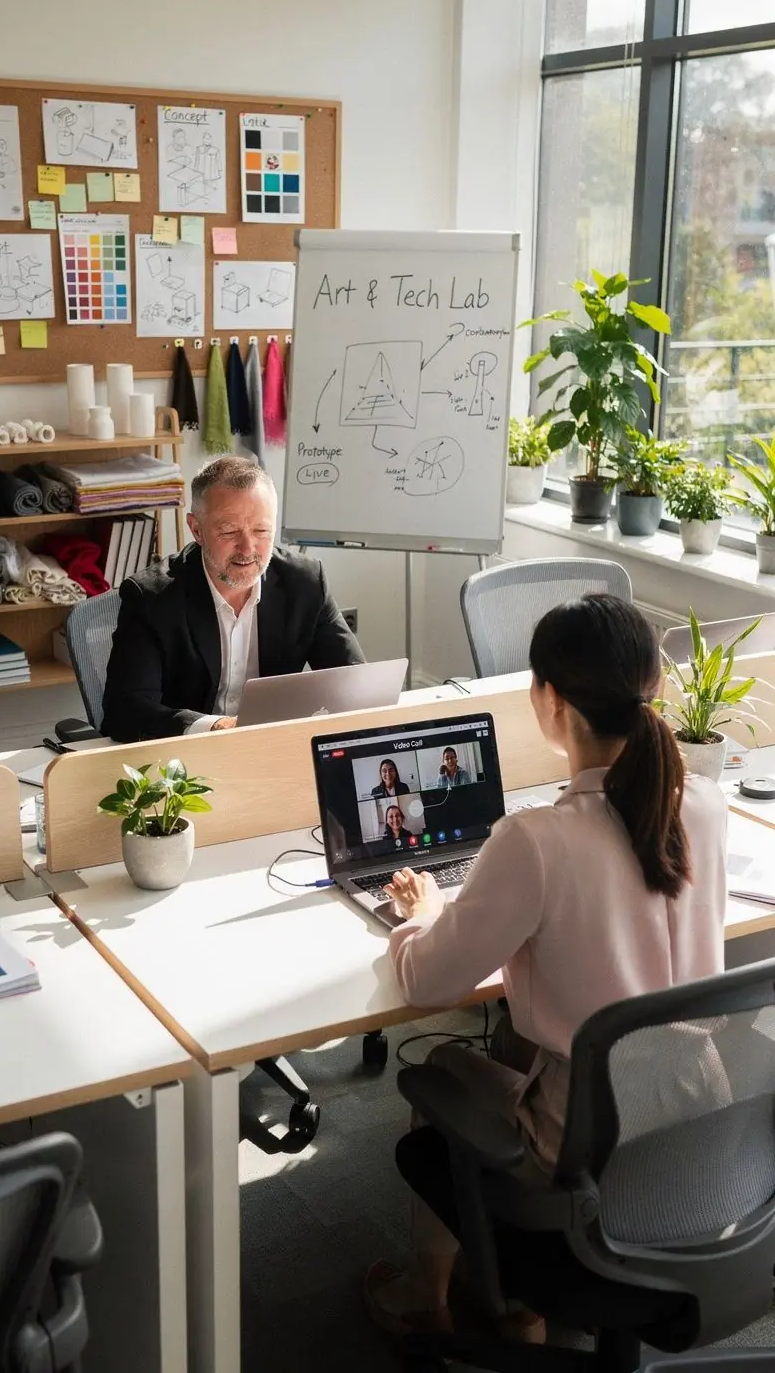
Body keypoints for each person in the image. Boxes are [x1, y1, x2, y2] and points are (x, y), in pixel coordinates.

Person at [365, 594, 728, 1339]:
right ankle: (525, 1305)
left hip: (585, 1150)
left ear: (550, 700)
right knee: (516, 1046)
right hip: (703, 1128)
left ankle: (427, 1298)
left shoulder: (534, 839)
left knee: (445, 1065)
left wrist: (421, 919)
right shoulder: (708, 807)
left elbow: (429, 984)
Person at [102, 456, 364, 743]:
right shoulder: (152, 598)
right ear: (197, 530)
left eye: (261, 531)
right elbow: (124, 712)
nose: (247, 548)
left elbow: (354, 686)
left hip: (274, 748)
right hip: (187, 759)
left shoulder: (306, 583)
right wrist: (215, 727)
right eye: (229, 531)